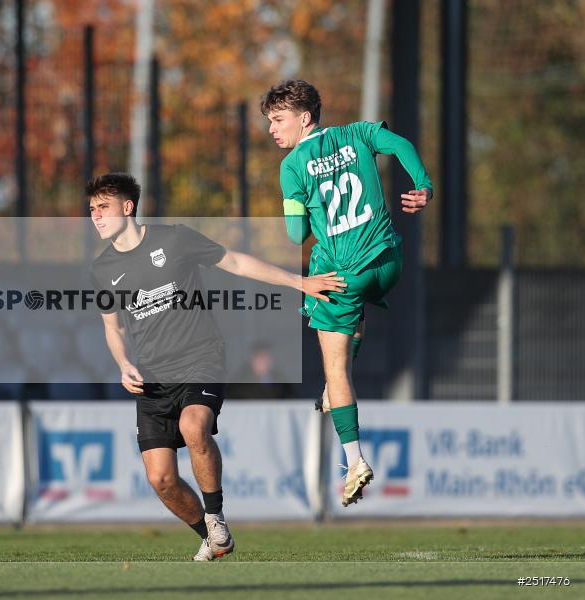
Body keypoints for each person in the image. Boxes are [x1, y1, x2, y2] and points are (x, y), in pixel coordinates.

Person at [87, 172, 345, 561]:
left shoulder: (174, 239)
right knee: (161, 479)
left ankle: (216, 515)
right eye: (91, 209)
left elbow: (237, 261)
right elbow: (112, 327)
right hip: (152, 376)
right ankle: (212, 536)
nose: (96, 216)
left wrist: (298, 281)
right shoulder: (103, 269)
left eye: (103, 207)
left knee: (194, 427)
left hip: (200, 356)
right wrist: (123, 363)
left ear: (128, 207)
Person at [261, 79, 433, 507]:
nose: (272, 130)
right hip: (389, 263)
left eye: (278, 120)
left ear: (305, 118)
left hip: (344, 277)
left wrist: (298, 204)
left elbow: (296, 233)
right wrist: (423, 184)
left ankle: (354, 459)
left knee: (334, 368)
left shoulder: (291, 166)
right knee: (351, 305)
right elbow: (401, 144)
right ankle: (337, 376)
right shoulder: (358, 133)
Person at [229, 340, 294, 399]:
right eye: (258, 356)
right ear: (251, 360)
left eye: (265, 356)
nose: (261, 361)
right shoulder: (239, 381)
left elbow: (292, 400)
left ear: (271, 360)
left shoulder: (281, 381)